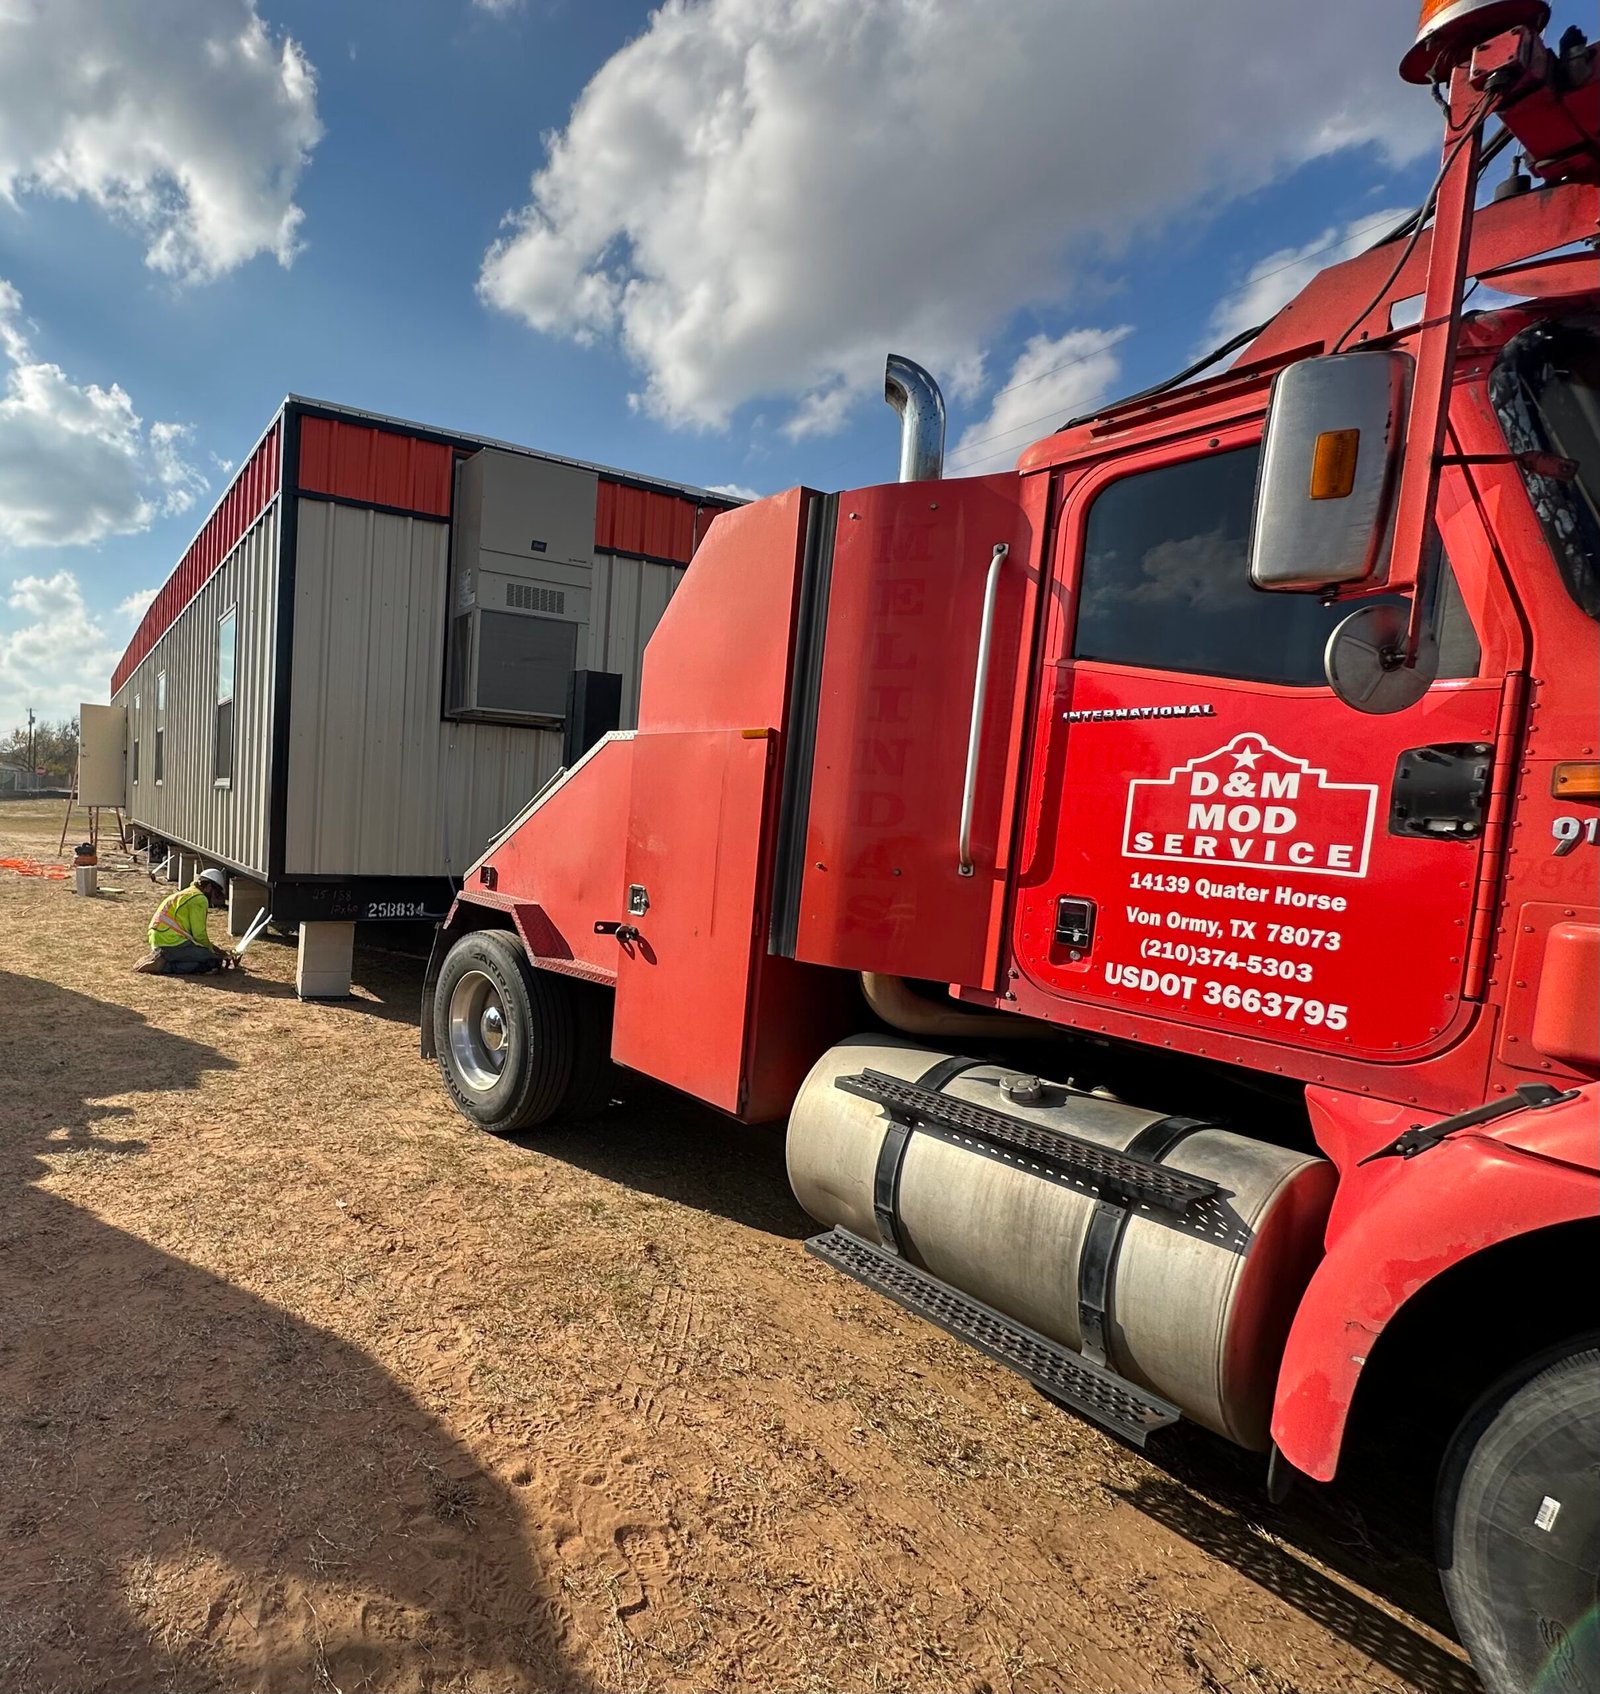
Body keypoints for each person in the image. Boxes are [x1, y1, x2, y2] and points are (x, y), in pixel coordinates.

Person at [135, 868, 240, 976]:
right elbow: (199, 935)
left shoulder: (189, 893)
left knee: (206, 956)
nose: (214, 899)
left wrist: (217, 951)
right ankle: (163, 965)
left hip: (159, 937)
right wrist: (217, 954)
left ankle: (161, 956)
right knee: (212, 962)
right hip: (171, 942)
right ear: (209, 887)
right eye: (216, 893)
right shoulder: (199, 899)